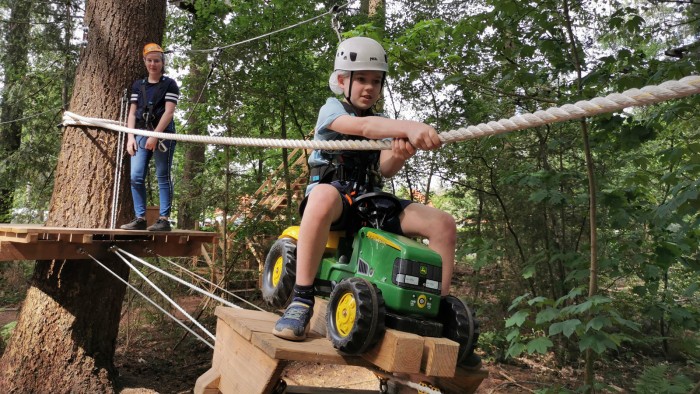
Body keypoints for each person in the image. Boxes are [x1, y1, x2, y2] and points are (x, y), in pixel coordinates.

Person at [272, 37, 457, 342]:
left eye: (376, 81)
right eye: (361, 80)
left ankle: (438, 310)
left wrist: (397, 154)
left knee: (443, 224)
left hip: (371, 200)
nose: (369, 88)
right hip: (336, 198)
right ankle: (301, 298)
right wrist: (409, 126)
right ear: (342, 80)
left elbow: (383, 169)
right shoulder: (332, 111)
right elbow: (365, 129)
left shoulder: (382, 121)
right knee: (321, 196)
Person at [120, 43, 180, 232]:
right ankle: (140, 218)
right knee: (136, 176)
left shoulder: (170, 84)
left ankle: (163, 219)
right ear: (144, 62)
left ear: (162, 62)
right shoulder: (138, 85)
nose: (153, 64)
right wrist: (130, 137)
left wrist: (155, 136)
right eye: (149, 60)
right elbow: (131, 113)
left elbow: (169, 112)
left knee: (162, 175)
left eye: (156, 61)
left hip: (162, 135)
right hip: (140, 133)